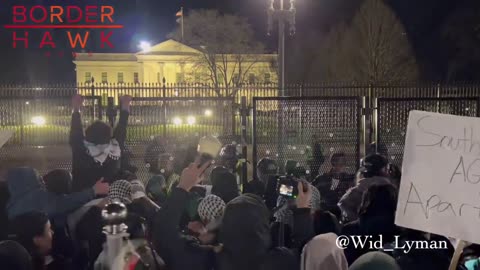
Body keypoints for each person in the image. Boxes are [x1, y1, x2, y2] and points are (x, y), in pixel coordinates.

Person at [70, 94, 132, 192]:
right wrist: (125, 104)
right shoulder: (114, 149)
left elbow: (76, 130)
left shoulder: (80, 148)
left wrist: (76, 107)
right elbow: (122, 127)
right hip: (110, 198)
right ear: (109, 136)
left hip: (82, 199)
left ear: (87, 135)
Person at [6, 167, 109, 220]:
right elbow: (65, 202)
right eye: (38, 178)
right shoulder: (37, 198)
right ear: (28, 180)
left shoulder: (12, 205)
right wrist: (94, 191)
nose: (42, 181)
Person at [338, 154, 393, 223]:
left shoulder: (360, 188)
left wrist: (357, 221)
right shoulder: (391, 188)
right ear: (384, 168)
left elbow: (342, 203)